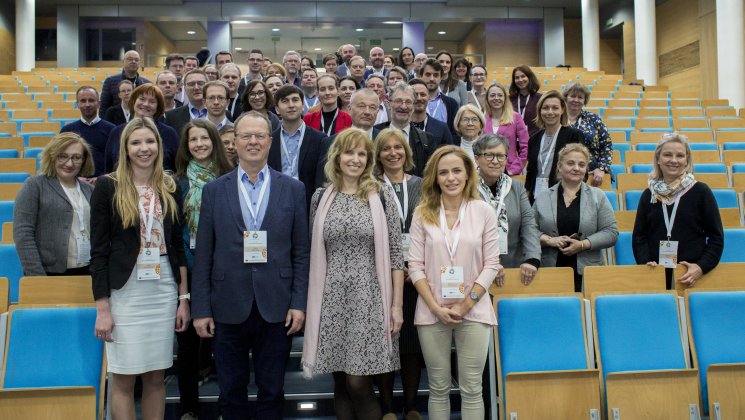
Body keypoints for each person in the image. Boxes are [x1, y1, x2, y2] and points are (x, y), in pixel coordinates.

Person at [191, 111, 309, 419]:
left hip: (277, 305)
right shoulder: (214, 190)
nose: (253, 142)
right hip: (227, 304)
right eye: (246, 136)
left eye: (260, 136)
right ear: (234, 143)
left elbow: (301, 252)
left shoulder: (294, 189)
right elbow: (204, 253)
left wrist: (299, 303)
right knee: (231, 392)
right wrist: (201, 308)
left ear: (271, 141)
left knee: (272, 391)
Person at [91, 117, 190, 420]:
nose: (143, 148)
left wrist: (183, 299)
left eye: (150, 142)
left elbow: (176, 245)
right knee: (123, 376)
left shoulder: (169, 185)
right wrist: (103, 308)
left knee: (155, 376)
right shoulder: (108, 186)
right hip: (125, 291)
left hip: (162, 286)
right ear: (125, 148)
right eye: (136, 142)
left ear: (159, 147)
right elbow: (98, 252)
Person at [303, 128, 404, 420]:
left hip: (370, 300)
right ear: (337, 156)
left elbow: (396, 256)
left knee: (358, 382)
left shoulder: (382, 195)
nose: (356, 159)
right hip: (331, 299)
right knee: (340, 381)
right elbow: (315, 251)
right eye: (350, 152)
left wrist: (397, 306)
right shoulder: (321, 197)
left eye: (362, 154)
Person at [408, 145, 500, 420]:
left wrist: (464, 305)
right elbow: (414, 266)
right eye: (444, 172)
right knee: (438, 388)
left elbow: (492, 264)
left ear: (468, 174)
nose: (451, 178)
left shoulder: (483, 210)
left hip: (474, 309)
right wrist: (436, 308)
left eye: (457, 171)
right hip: (431, 309)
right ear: (435, 177)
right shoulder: (422, 213)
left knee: (472, 388)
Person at [173, 119, 233, 420]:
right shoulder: (177, 183)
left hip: (224, 270)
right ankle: (189, 408)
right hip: (190, 268)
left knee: (223, 341)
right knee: (187, 344)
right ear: (186, 146)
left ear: (214, 142)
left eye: (204, 139)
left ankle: (226, 406)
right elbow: (176, 233)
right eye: (192, 140)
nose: (199, 144)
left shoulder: (230, 177)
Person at [372, 128, 424, 420]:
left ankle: (412, 406)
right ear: (378, 155)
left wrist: (412, 267)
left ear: (406, 151)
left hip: (417, 276)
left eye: (398, 147)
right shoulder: (371, 186)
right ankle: (388, 409)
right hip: (381, 276)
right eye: (386, 149)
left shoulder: (422, 184)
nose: (393, 153)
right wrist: (393, 267)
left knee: (411, 344)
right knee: (386, 342)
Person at [632, 133, 724, 289]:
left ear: (686, 160)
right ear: (658, 159)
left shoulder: (701, 192)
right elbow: (639, 237)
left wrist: (700, 267)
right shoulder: (649, 194)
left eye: (680, 155)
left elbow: (716, 238)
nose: (673, 160)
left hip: (691, 276)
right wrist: (645, 263)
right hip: (655, 275)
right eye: (667, 155)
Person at [533, 143, 618, 292]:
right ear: (559, 166)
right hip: (549, 272)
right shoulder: (543, 197)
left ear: (586, 169)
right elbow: (529, 231)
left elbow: (611, 233)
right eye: (570, 163)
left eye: (581, 164)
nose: (576, 168)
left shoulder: (598, 196)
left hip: (587, 273)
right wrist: (549, 240)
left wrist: (583, 244)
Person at [14, 132, 95, 276]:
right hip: (48, 273)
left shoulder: (90, 190)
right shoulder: (35, 185)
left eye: (76, 158)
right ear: (52, 156)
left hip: (87, 271)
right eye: (63, 156)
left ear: (84, 160)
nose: (69, 163)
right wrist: (37, 277)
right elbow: (23, 234)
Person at [474, 134, 540, 279]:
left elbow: (528, 223)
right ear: (476, 158)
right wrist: (488, 264)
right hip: (476, 267)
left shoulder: (516, 187)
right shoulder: (466, 188)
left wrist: (532, 259)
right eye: (489, 155)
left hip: (514, 267)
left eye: (500, 156)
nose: (495, 161)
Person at [269, 84, 326, 209]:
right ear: (277, 109)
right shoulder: (269, 141)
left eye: (295, 100)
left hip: (308, 204)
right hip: (276, 203)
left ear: (302, 106)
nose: (291, 105)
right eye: (285, 101)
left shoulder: (320, 139)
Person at [104, 84, 180, 173]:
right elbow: (108, 169)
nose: (146, 104)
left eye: (152, 101)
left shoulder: (169, 133)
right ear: (133, 101)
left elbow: (177, 168)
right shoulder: (116, 132)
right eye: (142, 99)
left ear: (157, 107)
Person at [524, 90, 584, 203]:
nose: (550, 112)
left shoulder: (573, 135)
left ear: (562, 110)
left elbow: (580, 169)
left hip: (564, 197)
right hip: (536, 197)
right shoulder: (534, 139)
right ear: (540, 111)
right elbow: (531, 171)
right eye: (545, 108)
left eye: (555, 108)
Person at [373, 82, 439, 178]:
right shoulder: (375, 134)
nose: (403, 107)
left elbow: (431, 175)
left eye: (408, 102)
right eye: (398, 101)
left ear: (413, 106)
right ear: (389, 104)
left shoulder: (427, 139)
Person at [60, 85, 116, 177]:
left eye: (91, 100)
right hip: (74, 183)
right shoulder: (67, 131)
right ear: (77, 104)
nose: (87, 104)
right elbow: (62, 160)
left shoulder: (112, 130)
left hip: (105, 183)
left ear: (98, 103)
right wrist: (76, 179)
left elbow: (117, 161)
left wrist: (102, 178)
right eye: (83, 101)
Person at [564, 83, 612, 187]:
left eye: (580, 97)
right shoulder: (558, 119)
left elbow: (607, 146)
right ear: (566, 98)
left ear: (584, 101)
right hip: (563, 174)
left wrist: (602, 168)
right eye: (572, 96)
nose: (576, 100)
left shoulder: (594, 119)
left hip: (592, 174)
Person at [483, 83, 529, 176]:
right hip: (486, 170)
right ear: (487, 98)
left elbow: (525, 146)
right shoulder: (482, 118)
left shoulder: (515, 117)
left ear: (505, 98)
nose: (496, 98)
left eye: (500, 95)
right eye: (492, 95)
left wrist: (514, 168)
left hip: (509, 170)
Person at [99, 50, 151, 116]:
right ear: (123, 61)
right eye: (130, 59)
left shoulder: (147, 84)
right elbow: (104, 107)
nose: (133, 61)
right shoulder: (110, 81)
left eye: (136, 60)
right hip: (116, 123)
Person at [409, 78, 455, 146]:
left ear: (428, 97)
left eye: (422, 94)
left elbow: (449, 154)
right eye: (415, 95)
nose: (419, 98)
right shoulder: (400, 127)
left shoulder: (442, 128)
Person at [419, 59, 459, 137]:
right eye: (428, 74)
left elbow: (455, 133)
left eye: (436, 75)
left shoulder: (451, 104)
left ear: (441, 78)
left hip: (444, 147)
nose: (431, 79)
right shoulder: (414, 101)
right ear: (421, 76)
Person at [164, 69, 209, 136]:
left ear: (208, 86)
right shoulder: (171, 117)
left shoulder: (223, 114)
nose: (196, 87)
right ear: (184, 88)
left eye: (200, 83)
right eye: (191, 84)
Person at [509, 65, 542, 136]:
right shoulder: (509, 99)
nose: (520, 80)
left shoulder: (540, 98)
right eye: (517, 78)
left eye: (523, 76)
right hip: (513, 138)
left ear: (529, 77)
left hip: (534, 138)